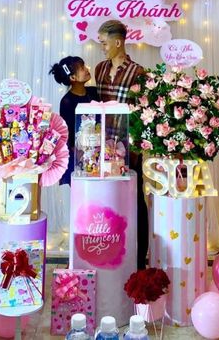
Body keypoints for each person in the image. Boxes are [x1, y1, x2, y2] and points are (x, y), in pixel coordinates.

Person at [94, 19, 148, 269]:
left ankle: (138, 259)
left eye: (105, 43)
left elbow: (143, 113)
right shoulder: (99, 69)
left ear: (118, 42)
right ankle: (111, 253)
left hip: (129, 148)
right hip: (103, 149)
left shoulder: (138, 72)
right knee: (107, 199)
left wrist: (134, 148)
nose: (102, 47)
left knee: (135, 200)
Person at [49, 56, 98, 186]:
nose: (86, 69)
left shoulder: (94, 92)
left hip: (98, 149)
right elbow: (68, 133)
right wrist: (80, 156)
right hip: (80, 155)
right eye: (82, 68)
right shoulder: (67, 102)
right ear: (73, 77)